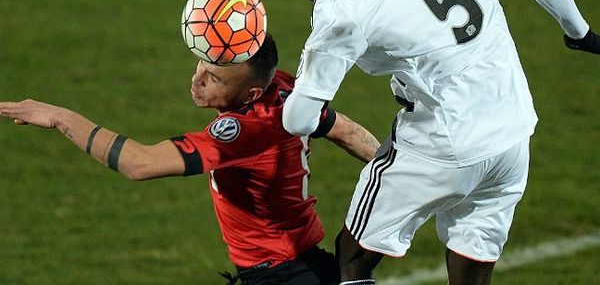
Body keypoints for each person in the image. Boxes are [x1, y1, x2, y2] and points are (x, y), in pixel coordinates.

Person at [282, 0, 600, 285]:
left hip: (440, 147)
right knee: (473, 258)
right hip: (513, 132)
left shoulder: (343, 9)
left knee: (353, 257)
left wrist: (302, 72)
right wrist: (580, 33)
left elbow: (297, 119)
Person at [0, 33, 381, 285]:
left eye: (213, 77)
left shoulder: (242, 133)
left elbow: (139, 163)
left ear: (248, 94)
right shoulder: (282, 87)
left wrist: (60, 117)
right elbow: (343, 130)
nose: (198, 78)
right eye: (202, 63)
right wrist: (394, 171)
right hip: (300, 266)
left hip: (283, 276)